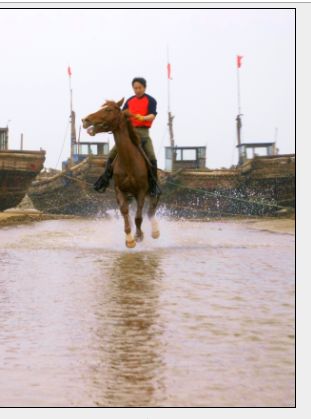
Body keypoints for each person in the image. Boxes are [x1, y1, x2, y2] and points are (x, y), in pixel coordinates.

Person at [94, 77, 161, 197]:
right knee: (112, 154)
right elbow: (121, 115)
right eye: (135, 88)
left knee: (151, 157)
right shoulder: (129, 101)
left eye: (140, 88)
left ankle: (154, 185)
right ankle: (104, 179)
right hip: (128, 132)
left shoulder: (151, 100)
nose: (137, 90)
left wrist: (143, 118)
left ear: (144, 87)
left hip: (143, 133)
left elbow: (152, 115)